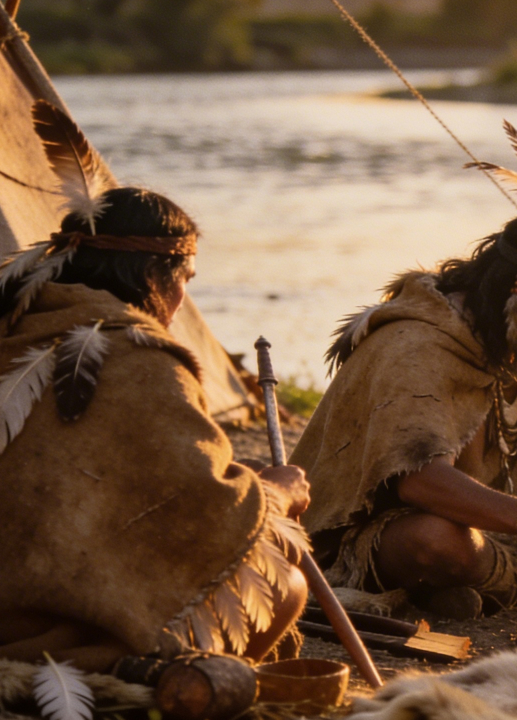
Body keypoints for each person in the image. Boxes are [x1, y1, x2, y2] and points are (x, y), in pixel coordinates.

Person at [292, 111, 517, 616]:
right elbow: (418, 479)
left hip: (495, 532)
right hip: (388, 531)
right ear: (514, 287)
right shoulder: (418, 342)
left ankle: (482, 586)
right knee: (438, 541)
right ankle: (510, 584)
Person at [0, 102, 310, 672]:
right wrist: (275, 494)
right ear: (153, 275)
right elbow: (207, 513)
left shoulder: (15, 331)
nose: (184, 299)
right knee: (284, 587)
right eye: (186, 279)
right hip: (62, 635)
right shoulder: (140, 363)